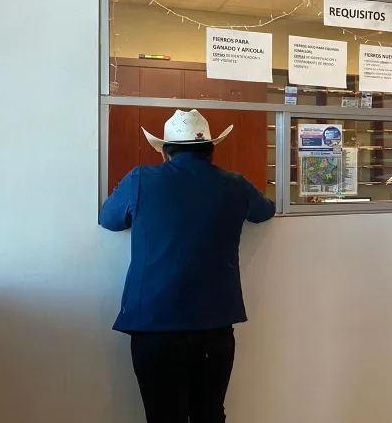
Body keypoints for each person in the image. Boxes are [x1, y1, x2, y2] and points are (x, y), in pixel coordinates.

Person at [99, 109, 275, 423]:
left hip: (155, 325)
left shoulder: (140, 179)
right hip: (214, 326)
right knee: (209, 414)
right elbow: (264, 211)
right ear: (211, 150)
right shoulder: (235, 184)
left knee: (163, 416)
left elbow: (110, 220)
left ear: (165, 152)